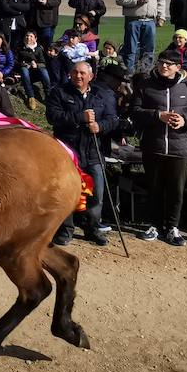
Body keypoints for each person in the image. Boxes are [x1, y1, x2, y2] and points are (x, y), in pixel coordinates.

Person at [131, 49, 187, 246]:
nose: (164, 66)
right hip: (153, 146)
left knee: (176, 190)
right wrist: (157, 115)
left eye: (169, 64)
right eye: (161, 62)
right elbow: (135, 112)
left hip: (180, 148)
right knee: (154, 188)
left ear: (178, 67)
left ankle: (172, 227)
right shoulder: (144, 85)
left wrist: (185, 122)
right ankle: (154, 225)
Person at [48, 60, 117, 246]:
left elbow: (112, 119)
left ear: (91, 76)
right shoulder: (59, 92)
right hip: (67, 153)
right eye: (75, 72)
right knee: (66, 193)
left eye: (82, 73)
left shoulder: (101, 95)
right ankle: (65, 230)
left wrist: (100, 126)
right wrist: (80, 117)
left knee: (96, 195)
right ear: (70, 74)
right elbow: (53, 117)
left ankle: (92, 229)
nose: (78, 76)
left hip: (94, 152)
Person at [115, 0, 167, 75]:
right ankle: (129, 74)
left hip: (150, 21)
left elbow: (161, 2)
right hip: (133, 21)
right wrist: (136, 1)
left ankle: (145, 74)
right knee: (130, 49)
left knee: (148, 50)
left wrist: (161, 17)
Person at [14, 28, 50, 107]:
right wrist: (23, 64)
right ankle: (31, 97)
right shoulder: (20, 48)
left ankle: (48, 95)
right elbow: (15, 61)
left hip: (37, 71)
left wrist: (37, 65)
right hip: (25, 72)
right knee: (24, 70)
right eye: (27, 36)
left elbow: (44, 63)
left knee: (44, 72)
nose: (28, 38)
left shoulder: (39, 48)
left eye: (31, 36)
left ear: (35, 38)